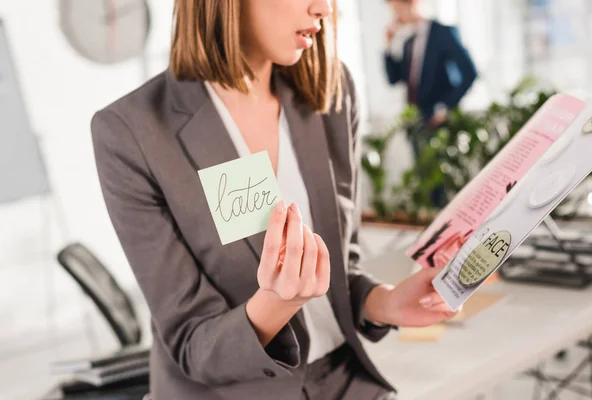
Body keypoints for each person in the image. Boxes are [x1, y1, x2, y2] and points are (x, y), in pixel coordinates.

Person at [91, 1, 458, 399]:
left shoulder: (332, 91)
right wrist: (275, 304)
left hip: (346, 382)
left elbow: (340, 267)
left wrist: (385, 303)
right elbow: (191, 342)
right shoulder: (132, 132)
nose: (324, 8)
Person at [384, 0, 477, 146]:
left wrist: (444, 107)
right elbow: (394, 79)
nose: (396, 16)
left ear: (413, 4)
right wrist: (389, 46)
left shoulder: (442, 32)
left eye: (398, 10)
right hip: (416, 123)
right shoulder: (409, 42)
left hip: (439, 123)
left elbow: (469, 72)